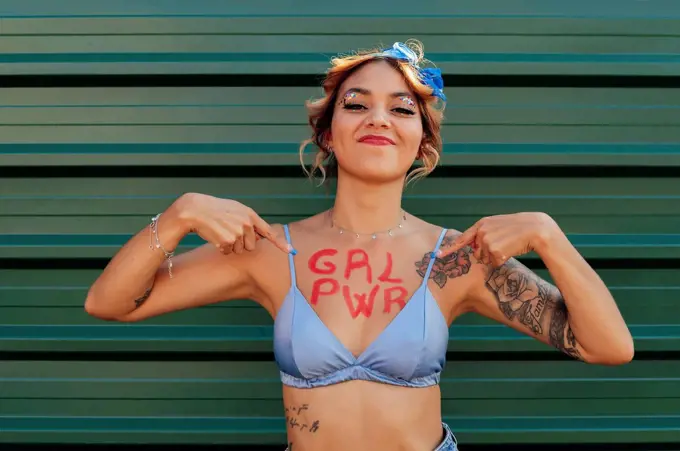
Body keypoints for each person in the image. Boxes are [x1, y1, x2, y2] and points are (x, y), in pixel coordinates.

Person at [84, 40, 634, 451]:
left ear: (423, 140)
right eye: (356, 104)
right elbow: (108, 302)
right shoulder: (270, 251)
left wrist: (547, 234)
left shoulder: (457, 258)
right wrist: (179, 215)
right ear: (327, 132)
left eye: (401, 108)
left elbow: (608, 346)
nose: (378, 118)